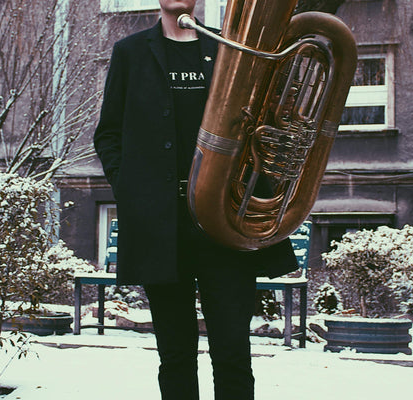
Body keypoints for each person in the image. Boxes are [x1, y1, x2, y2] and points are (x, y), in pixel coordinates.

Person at [93, 1, 298, 398]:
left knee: (234, 353)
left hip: (224, 220)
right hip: (160, 224)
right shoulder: (130, 52)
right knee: (175, 355)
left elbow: (258, 122)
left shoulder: (229, 47)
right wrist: (131, 190)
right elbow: (109, 133)